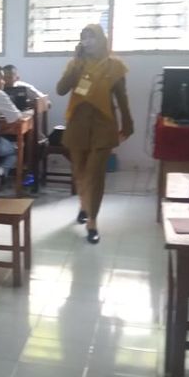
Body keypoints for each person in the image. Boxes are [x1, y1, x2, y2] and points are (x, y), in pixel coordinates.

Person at [56, 24, 133, 244]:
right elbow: (61, 89)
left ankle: (92, 221)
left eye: (92, 37)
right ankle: (83, 204)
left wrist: (128, 122)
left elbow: (122, 97)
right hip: (77, 124)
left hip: (103, 125)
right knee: (79, 171)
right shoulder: (75, 64)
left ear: (102, 40)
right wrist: (76, 65)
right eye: (84, 37)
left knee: (95, 174)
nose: (87, 41)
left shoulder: (115, 67)